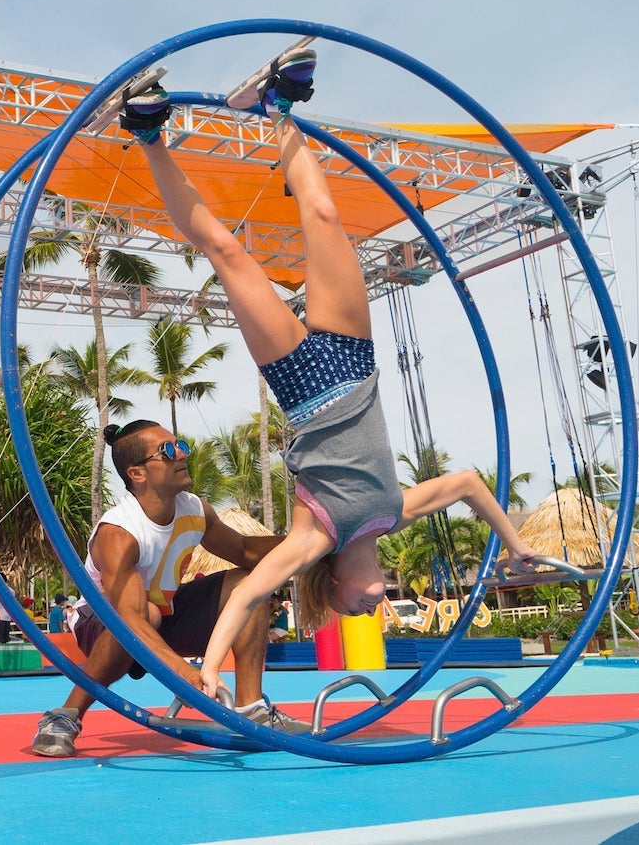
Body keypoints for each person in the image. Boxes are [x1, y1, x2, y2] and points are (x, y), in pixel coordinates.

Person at [115, 44, 540, 706]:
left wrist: (210, 668)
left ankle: (146, 133)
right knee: (325, 214)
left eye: (353, 609)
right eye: (372, 608)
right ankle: (277, 109)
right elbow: (466, 484)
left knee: (225, 250)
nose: (372, 608)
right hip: (354, 359)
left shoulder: (313, 537)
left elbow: (248, 594)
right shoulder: (392, 514)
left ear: (334, 583)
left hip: (299, 382)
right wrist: (512, 545)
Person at [30, 421, 295, 758]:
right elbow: (128, 615)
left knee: (249, 583)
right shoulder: (119, 532)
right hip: (102, 624)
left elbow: (245, 550)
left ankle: (251, 709)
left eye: (180, 445)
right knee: (146, 612)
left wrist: (310, 544)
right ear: (137, 474)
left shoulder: (195, 510)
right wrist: (183, 672)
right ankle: (66, 714)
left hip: (162, 616)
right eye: (167, 451)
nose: (181, 454)